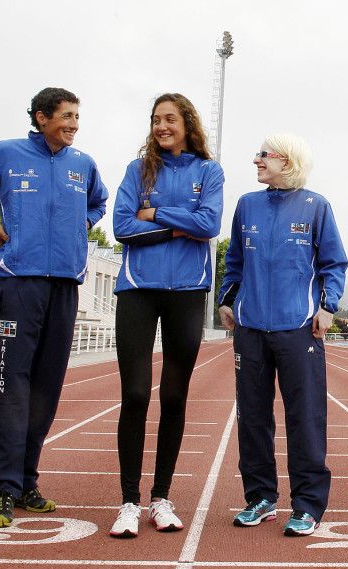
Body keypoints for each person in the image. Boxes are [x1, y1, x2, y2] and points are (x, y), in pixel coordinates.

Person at [0, 87, 107, 528]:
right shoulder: (6, 154)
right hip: (17, 284)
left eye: (76, 117)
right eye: (66, 116)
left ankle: (27, 482)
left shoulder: (82, 165)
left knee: (46, 391)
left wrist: (78, 227)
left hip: (65, 287)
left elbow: (98, 202)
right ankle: (1, 491)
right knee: (11, 389)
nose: (73, 124)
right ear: (41, 116)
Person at [218, 133, 348, 537]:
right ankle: (260, 497)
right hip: (251, 329)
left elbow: (334, 263)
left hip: (299, 329)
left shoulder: (316, 206)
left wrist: (328, 306)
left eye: (264, 155)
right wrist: (227, 298)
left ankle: (307, 504)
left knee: (304, 417)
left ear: (286, 162)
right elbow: (234, 259)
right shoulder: (247, 205)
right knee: (252, 417)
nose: (256, 160)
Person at [107, 93, 223, 538]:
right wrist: (179, 226)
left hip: (189, 292)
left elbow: (209, 224)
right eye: (156, 120)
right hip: (138, 290)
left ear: (186, 123)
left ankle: (161, 497)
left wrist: (155, 215)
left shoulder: (208, 171)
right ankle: (128, 502)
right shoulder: (138, 171)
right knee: (135, 394)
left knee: (174, 397)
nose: (161, 126)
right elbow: (121, 227)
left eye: (169, 119)